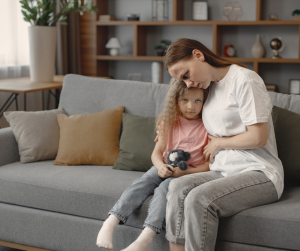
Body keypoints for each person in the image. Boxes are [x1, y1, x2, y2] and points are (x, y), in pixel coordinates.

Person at [163, 38, 284, 251]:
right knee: (177, 187)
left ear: (198, 55)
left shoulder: (244, 79)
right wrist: (164, 130)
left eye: (186, 75)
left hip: (260, 172)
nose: (188, 83)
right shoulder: (209, 88)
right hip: (224, 170)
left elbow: (258, 137)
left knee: (198, 199)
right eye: (183, 81)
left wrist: (219, 143)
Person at [96, 78, 210, 251]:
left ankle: (146, 237)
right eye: (185, 100)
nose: (191, 106)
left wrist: (184, 174)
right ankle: (111, 221)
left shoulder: (208, 127)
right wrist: (160, 167)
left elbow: (210, 166)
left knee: (164, 190)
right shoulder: (169, 122)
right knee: (144, 182)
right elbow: (156, 154)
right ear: (176, 101)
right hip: (164, 166)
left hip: (187, 174)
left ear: (204, 102)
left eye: (197, 101)